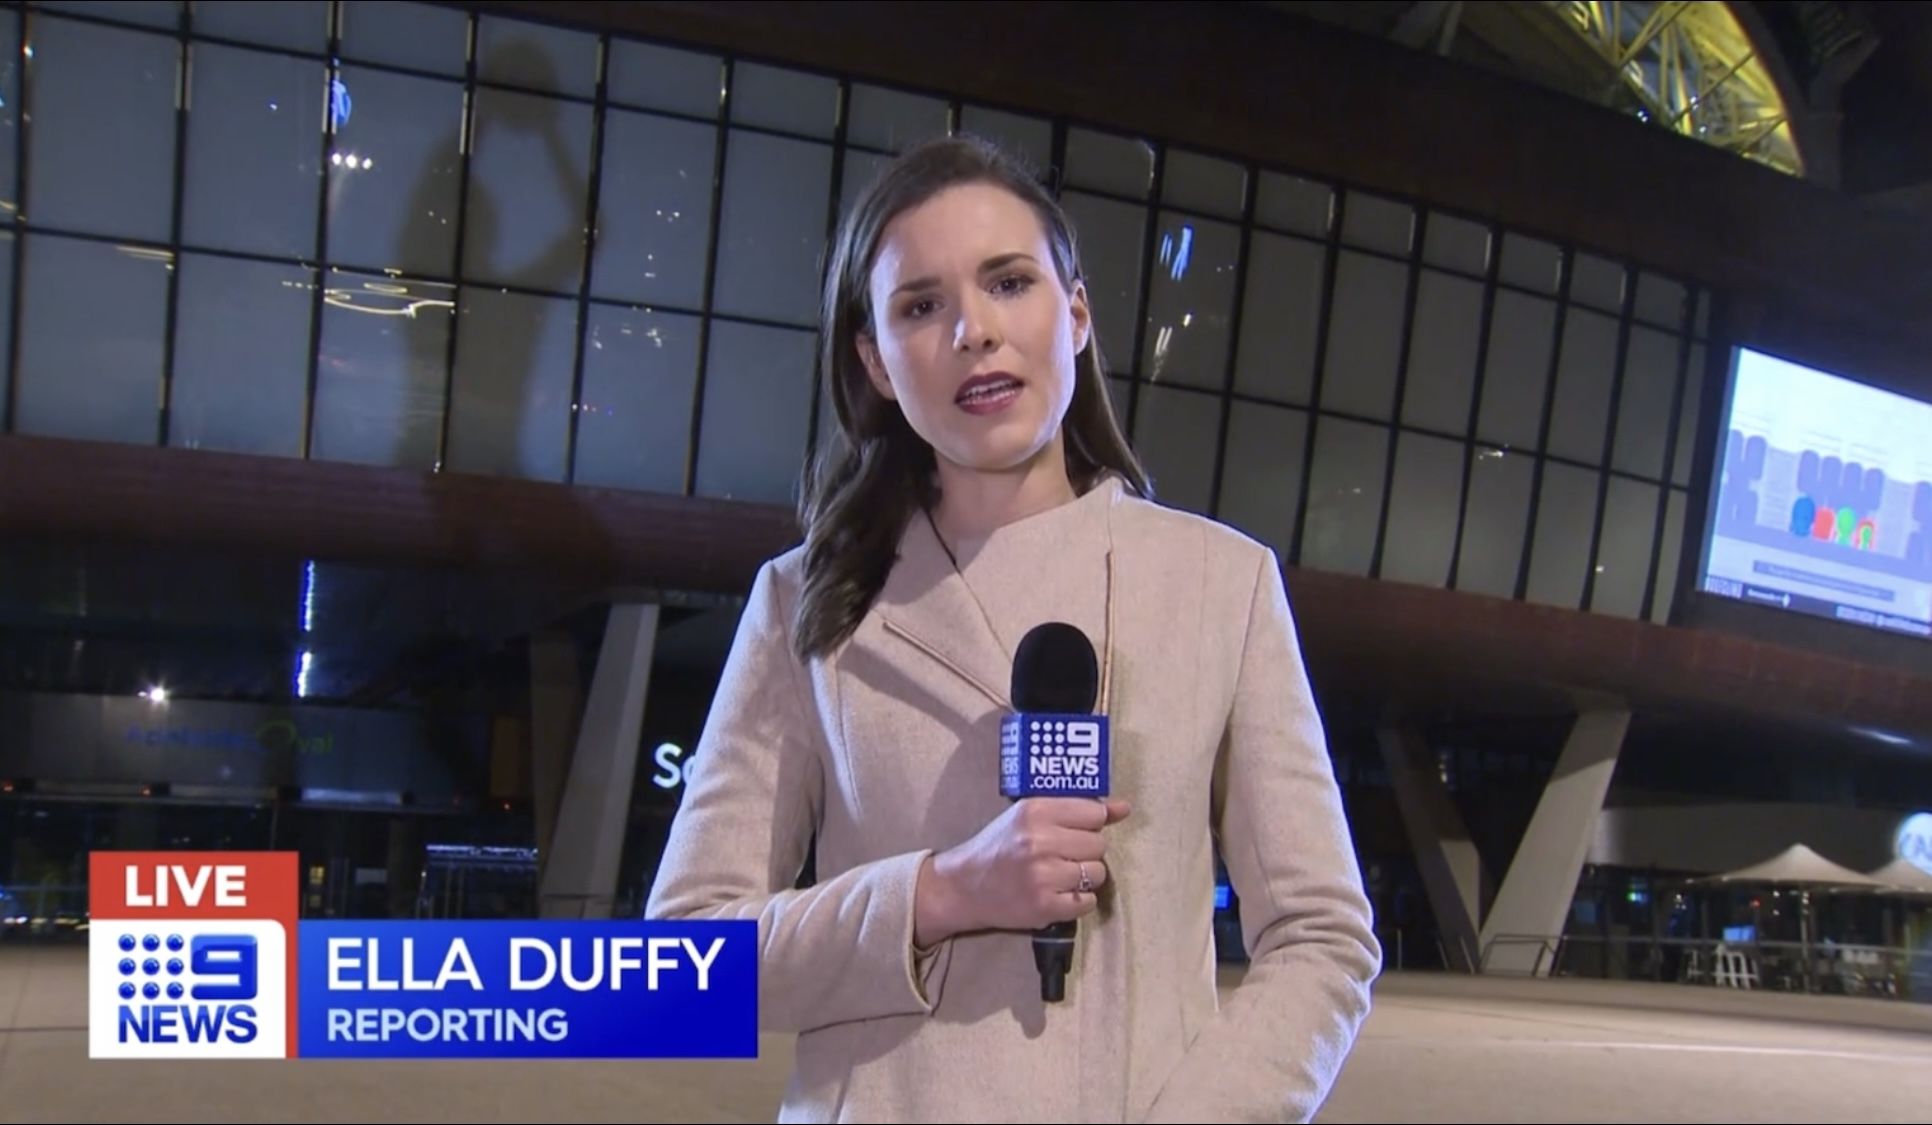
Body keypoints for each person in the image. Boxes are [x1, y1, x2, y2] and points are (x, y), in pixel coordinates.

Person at [646, 133, 1381, 1123]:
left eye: (1007, 283)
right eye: (921, 306)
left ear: (1074, 314)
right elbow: (683, 966)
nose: (973, 331)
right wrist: (941, 893)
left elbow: (1322, 937)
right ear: (874, 360)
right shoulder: (800, 602)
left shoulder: (1222, 583)